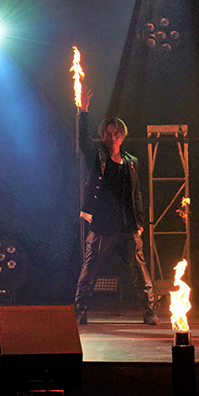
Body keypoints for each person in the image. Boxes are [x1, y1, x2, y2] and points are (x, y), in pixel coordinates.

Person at [74, 86, 158, 326]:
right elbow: (83, 140)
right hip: (102, 224)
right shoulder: (98, 157)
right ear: (103, 136)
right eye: (108, 134)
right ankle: (80, 312)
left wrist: (139, 221)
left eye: (116, 133)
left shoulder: (131, 162)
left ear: (122, 135)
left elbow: (136, 193)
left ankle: (149, 312)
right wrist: (83, 111)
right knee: (90, 269)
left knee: (140, 270)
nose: (112, 137)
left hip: (127, 224)